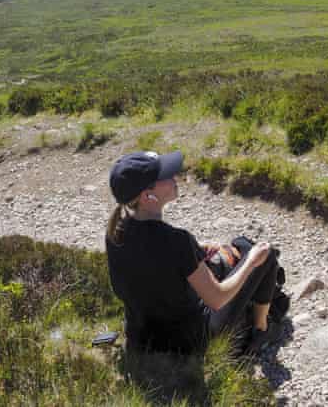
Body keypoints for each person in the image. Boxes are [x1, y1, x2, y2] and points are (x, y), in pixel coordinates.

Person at [105, 150, 283, 355]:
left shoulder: (115, 233)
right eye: (166, 177)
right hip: (189, 343)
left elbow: (147, 268)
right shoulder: (177, 240)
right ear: (148, 196)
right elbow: (217, 299)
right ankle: (261, 330)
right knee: (264, 255)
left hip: (142, 338)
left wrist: (196, 253)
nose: (174, 178)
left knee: (224, 264)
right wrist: (251, 261)